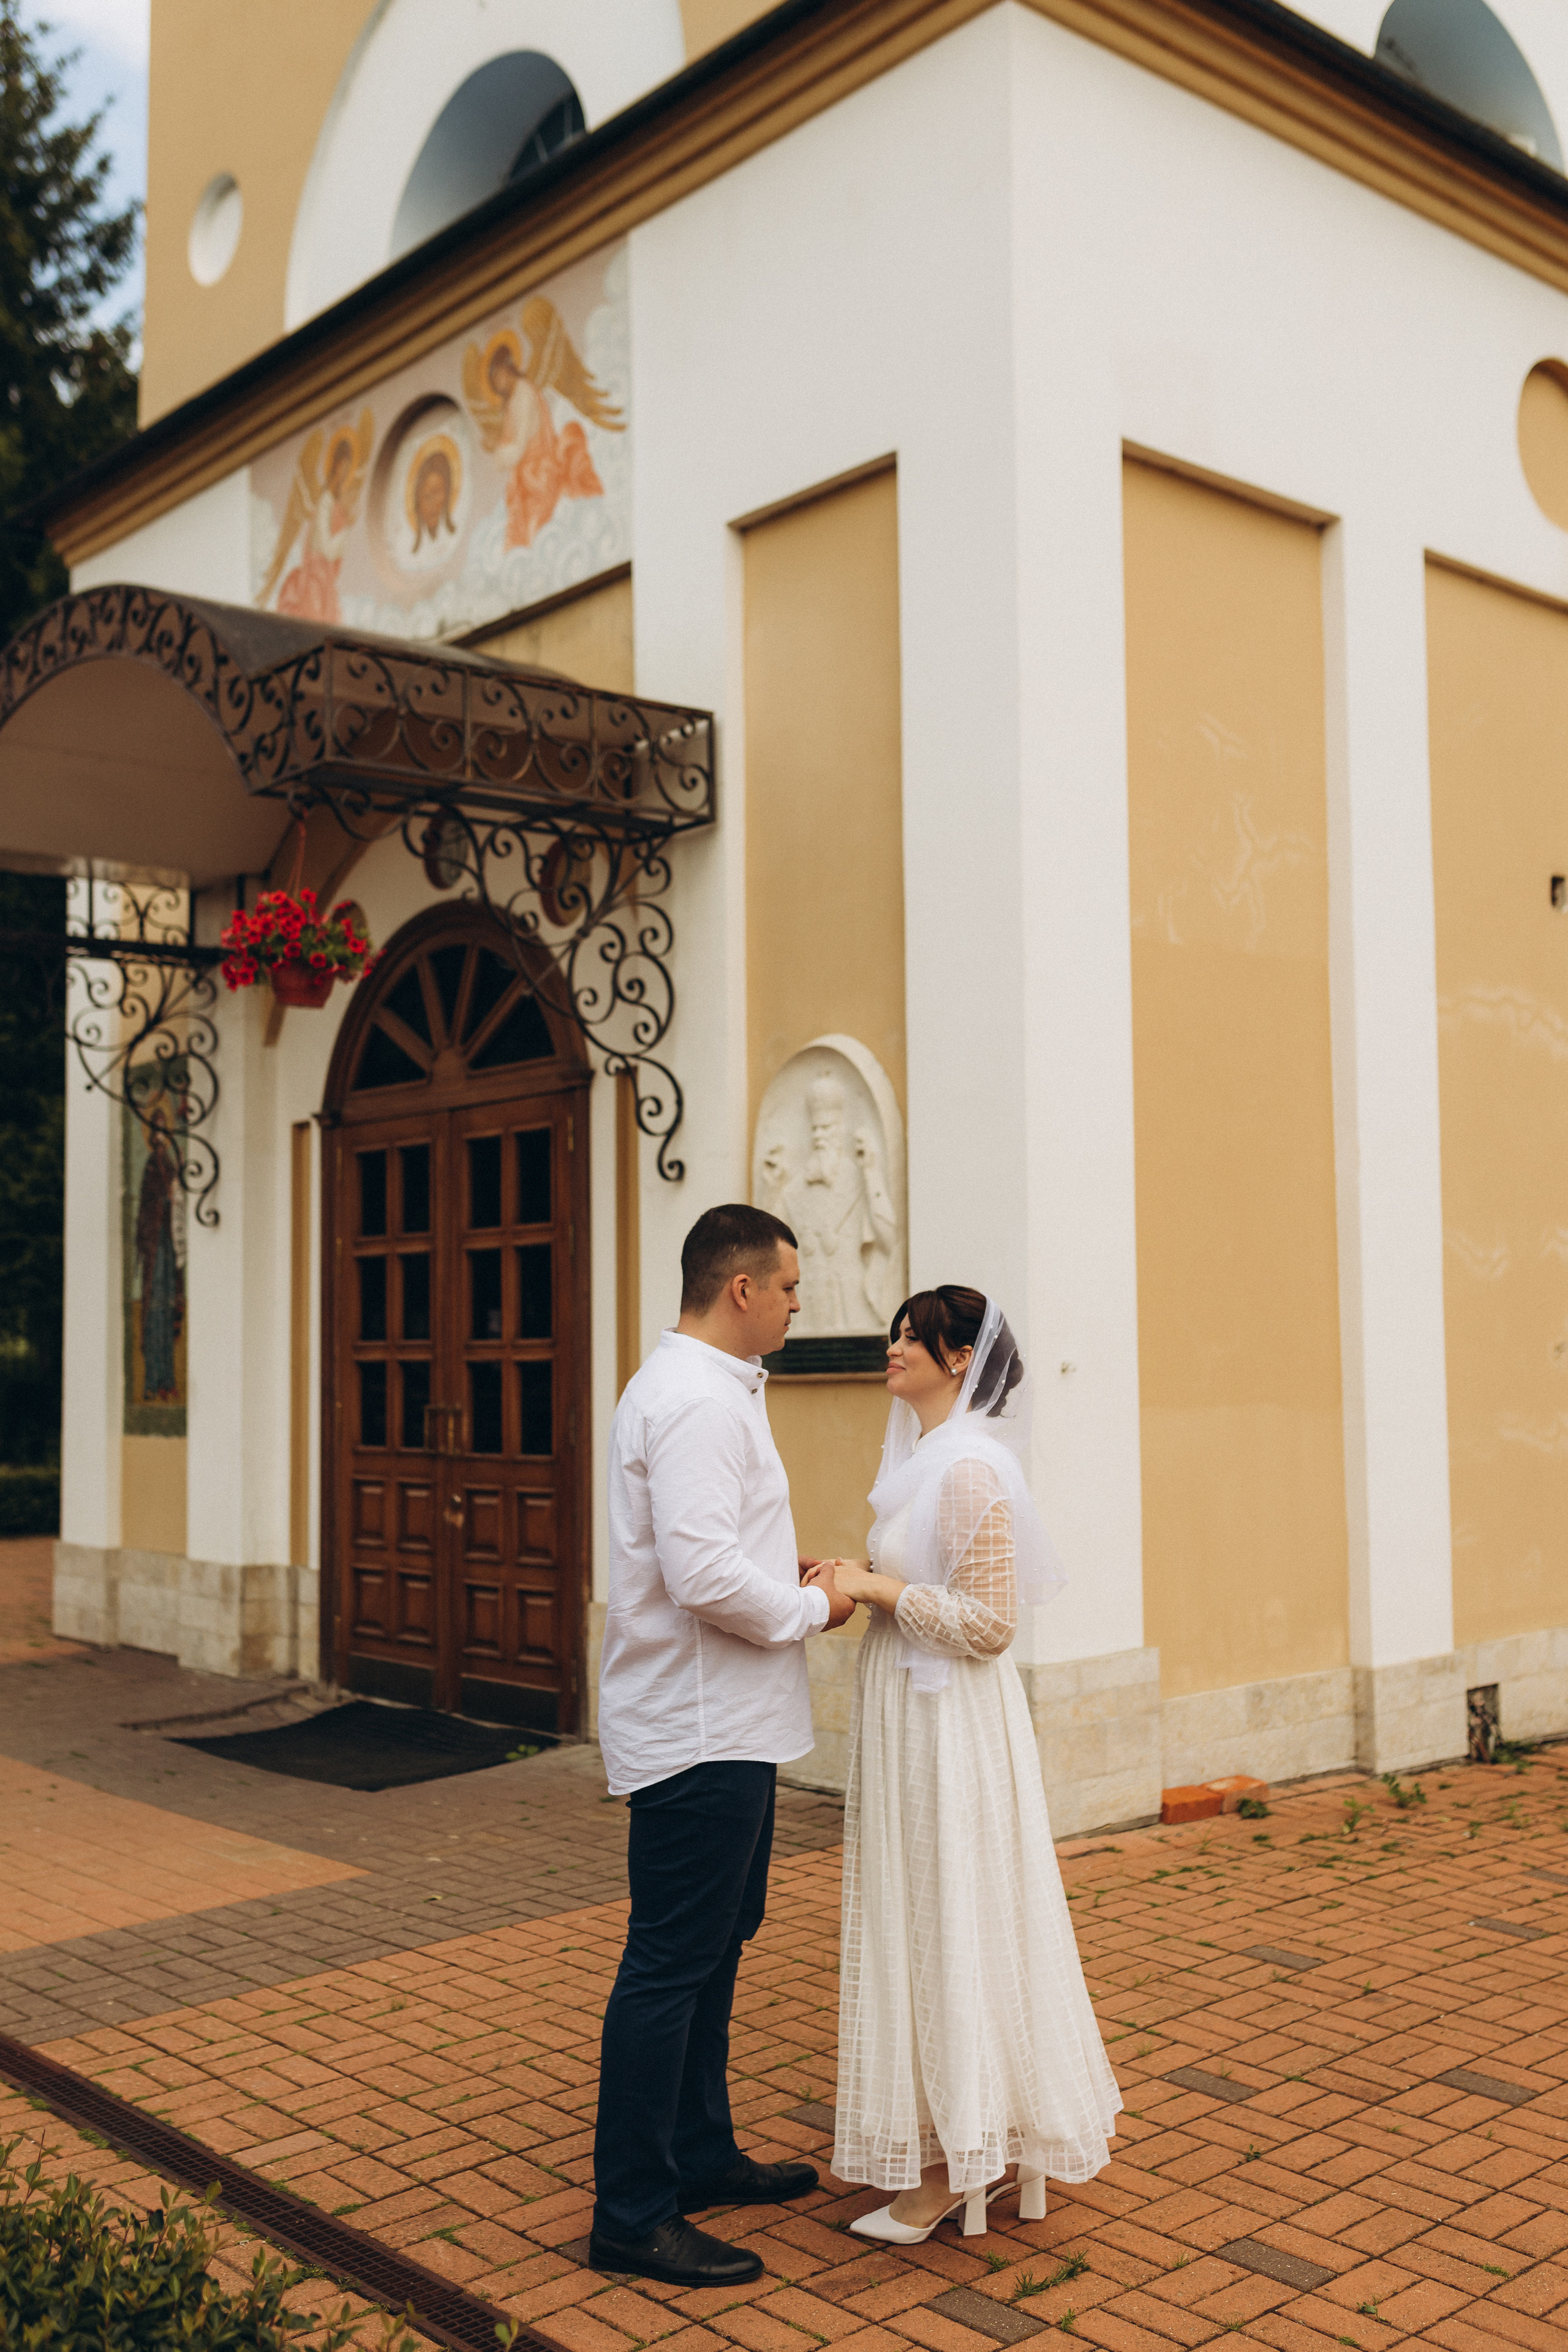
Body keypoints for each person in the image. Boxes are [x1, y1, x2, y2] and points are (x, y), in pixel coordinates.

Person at [808, 1288, 1120, 2242]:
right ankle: (970, 2134)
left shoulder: (972, 1468)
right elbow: (923, 1588)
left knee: (953, 1916)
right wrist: (854, 1582)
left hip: (953, 1728)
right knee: (921, 1917)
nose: (894, 1347)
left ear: (959, 1361)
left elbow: (989, 1626)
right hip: (909, 1713)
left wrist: (875, 1586)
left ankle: (958, 2163)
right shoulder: (920, 1463)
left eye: (915, 1337)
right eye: (897, 1332)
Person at [590, 1204, 857, 2287]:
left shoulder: (701, 1391)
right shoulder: (697, 1402)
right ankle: (632, 2212)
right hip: (699, 1728)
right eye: (790, 1286)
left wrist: (774, 1572)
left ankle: (698, 2153)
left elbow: (708, 1553)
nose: (800, 1302)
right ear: (741, 1289)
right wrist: (814, 1612)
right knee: (668, 1964)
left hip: (726, 1719)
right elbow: (701, 1580)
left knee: (713, 1947)